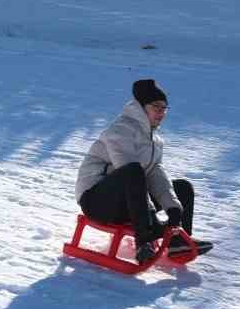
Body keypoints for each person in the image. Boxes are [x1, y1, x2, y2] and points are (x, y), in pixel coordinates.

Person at [75, 79, 212, 263]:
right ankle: (144, 241)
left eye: (164, 108)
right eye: (156, 106)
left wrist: (173, 209)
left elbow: (155, 174)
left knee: (183, 188)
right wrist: (150, 219)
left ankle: (178, 240)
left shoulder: (155, 140)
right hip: (98, 201)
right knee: (133, 170)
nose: (161, 112)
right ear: (141, 107)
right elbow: (128, 173)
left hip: (131, 202)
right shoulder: (121, 130)